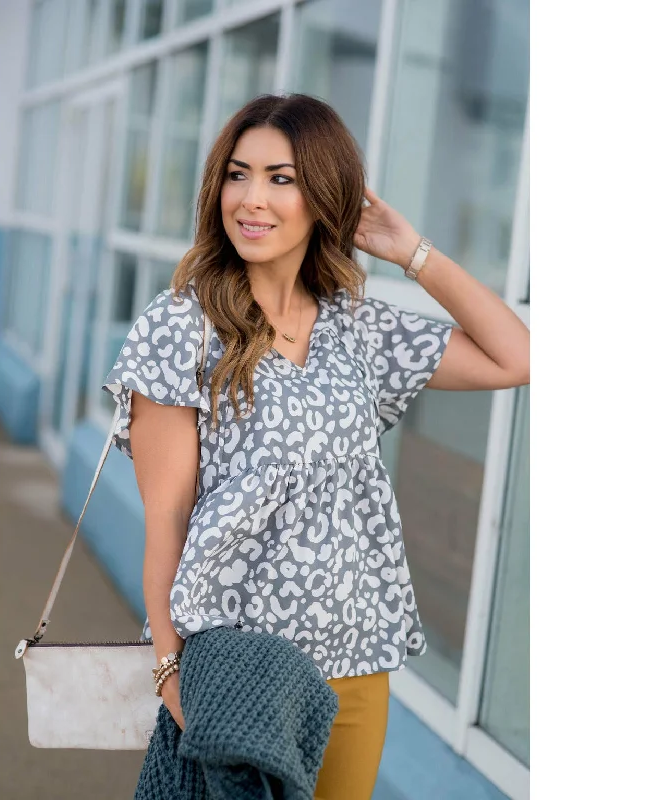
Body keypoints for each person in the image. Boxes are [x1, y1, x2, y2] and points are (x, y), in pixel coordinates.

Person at [102, 93, 529, 800]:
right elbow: (166, 523)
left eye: (281, 178)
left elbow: (516, 356)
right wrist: (169, 671)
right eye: (238, 174)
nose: (251, 199)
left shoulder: (354, 328)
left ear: (323, 196)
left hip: (357, 664)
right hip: (241, 668)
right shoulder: (181, 326)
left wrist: (412, 252)